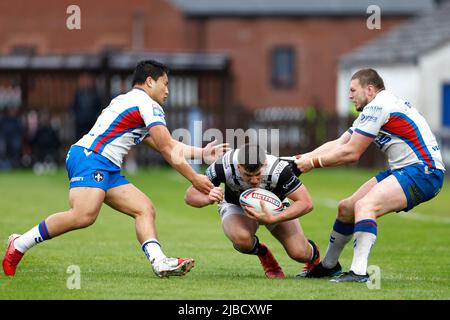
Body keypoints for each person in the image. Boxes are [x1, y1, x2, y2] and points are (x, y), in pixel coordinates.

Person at [2, 60, 229, 278]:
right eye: (165, 83)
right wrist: (195, 179)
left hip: (104, 164)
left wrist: (201, 153)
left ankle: (159, 262)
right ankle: (19, 244)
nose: (167, 91)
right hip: (92, 158)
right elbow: (168, 149)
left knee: (144, 209)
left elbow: (164, 145)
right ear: (150, 81)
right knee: (84, 215)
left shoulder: (129, 100)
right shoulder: (148, 105)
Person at [295, 68, 445, 283]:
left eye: (353, 89)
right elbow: (339, 143)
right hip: (405, 170)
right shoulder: (374, 107)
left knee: (365, 206)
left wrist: (312, 163)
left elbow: (350, 153)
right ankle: (329, 266)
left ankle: (358, 272)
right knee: (346, 208)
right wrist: (299, 158)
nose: (349, 95)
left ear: (370, 89)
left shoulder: (378, 106)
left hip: (423, 171)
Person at [184, 143, 320, 278]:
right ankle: (264, 254)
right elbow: (190, 196)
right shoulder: (224, 165)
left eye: (258, 174)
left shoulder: (278, 168)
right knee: (241, 239)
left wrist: (274, 218)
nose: (254, 180)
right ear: (238, 167)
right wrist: (208, 198)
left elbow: (306, 203)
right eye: (248, 175)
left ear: (264, 164)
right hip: (236, 205)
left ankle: (315, 257)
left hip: (275, 206)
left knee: (300, 253)